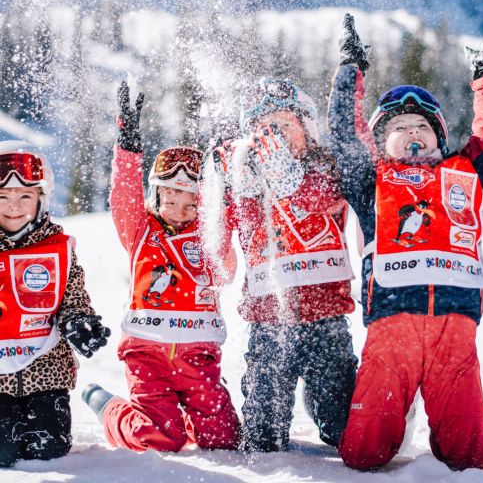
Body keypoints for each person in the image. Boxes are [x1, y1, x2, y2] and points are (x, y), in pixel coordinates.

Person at [327, 14, 483, 470]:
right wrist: (351, 69)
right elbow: (346, 138)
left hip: (456, 328)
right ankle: (396, 415)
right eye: (398, 128)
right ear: (381, 143)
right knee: (362, 455)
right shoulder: (371, 181)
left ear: (439, 138)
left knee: (472, 457)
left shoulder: (463, 174)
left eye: (422, 127)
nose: (412, 134)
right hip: (392, 327)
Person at [82, 82, 239, 452]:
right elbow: (123, 194)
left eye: (192, 205)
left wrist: (227, 188)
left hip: (199, 357)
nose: (181, 213)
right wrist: (128, 146)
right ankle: (110, 407)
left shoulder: (210, 234)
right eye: (172, 201)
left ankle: (183, 412)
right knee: (160, 439)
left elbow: (226, 272)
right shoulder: (141, 230)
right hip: (148, 355)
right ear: (158, 195)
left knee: (224, 440)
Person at [214, 76, 357, 452]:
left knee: (343, 431)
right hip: (269, 321)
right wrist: (229, 182)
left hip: (325, 317)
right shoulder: (249, 180)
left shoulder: (327, 172)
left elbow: (324, 199)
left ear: (307, 129)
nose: (274, 136)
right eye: (264, 128)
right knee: (262, 438)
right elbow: (226, 235)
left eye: (284, 125)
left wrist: (289, 178)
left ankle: (319, 404)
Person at [0, 140, 110, 467]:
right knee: (3, 454)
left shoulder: (58, 249)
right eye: (3, 197)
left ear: (41, 199)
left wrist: (78, 322)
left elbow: (73, 297)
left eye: (25, 196)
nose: (13, 205)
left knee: (49, 449)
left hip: (46, 373)